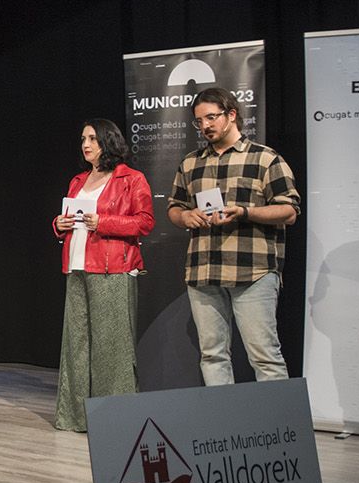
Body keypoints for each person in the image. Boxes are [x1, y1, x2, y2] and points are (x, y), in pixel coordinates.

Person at [167, 87, 301, 385]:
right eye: (199, 121)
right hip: (204, 271)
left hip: (252, 270)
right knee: (212, 355)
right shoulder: (191, 163)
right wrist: (185, 216)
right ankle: (223, 426)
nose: (205, 126)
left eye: (211, 118)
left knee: (264, 355)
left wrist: (244, 212)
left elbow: (289, 211)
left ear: (231, 115)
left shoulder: (265, 159)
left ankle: (278, 425)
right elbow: (175, 208)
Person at [49, 120, 152, 432]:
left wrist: (104, 222)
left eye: (93, 138)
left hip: (114, 270)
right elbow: (66, 219)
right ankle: (76, 416)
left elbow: (145, 222)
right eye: (83, 139)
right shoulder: (78, 179)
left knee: (112, 347)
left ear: (109, 141)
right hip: (77, 267)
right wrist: (59, 224)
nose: (86, 144)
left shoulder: (131, 179)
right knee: (76, 344)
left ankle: (115, 419)